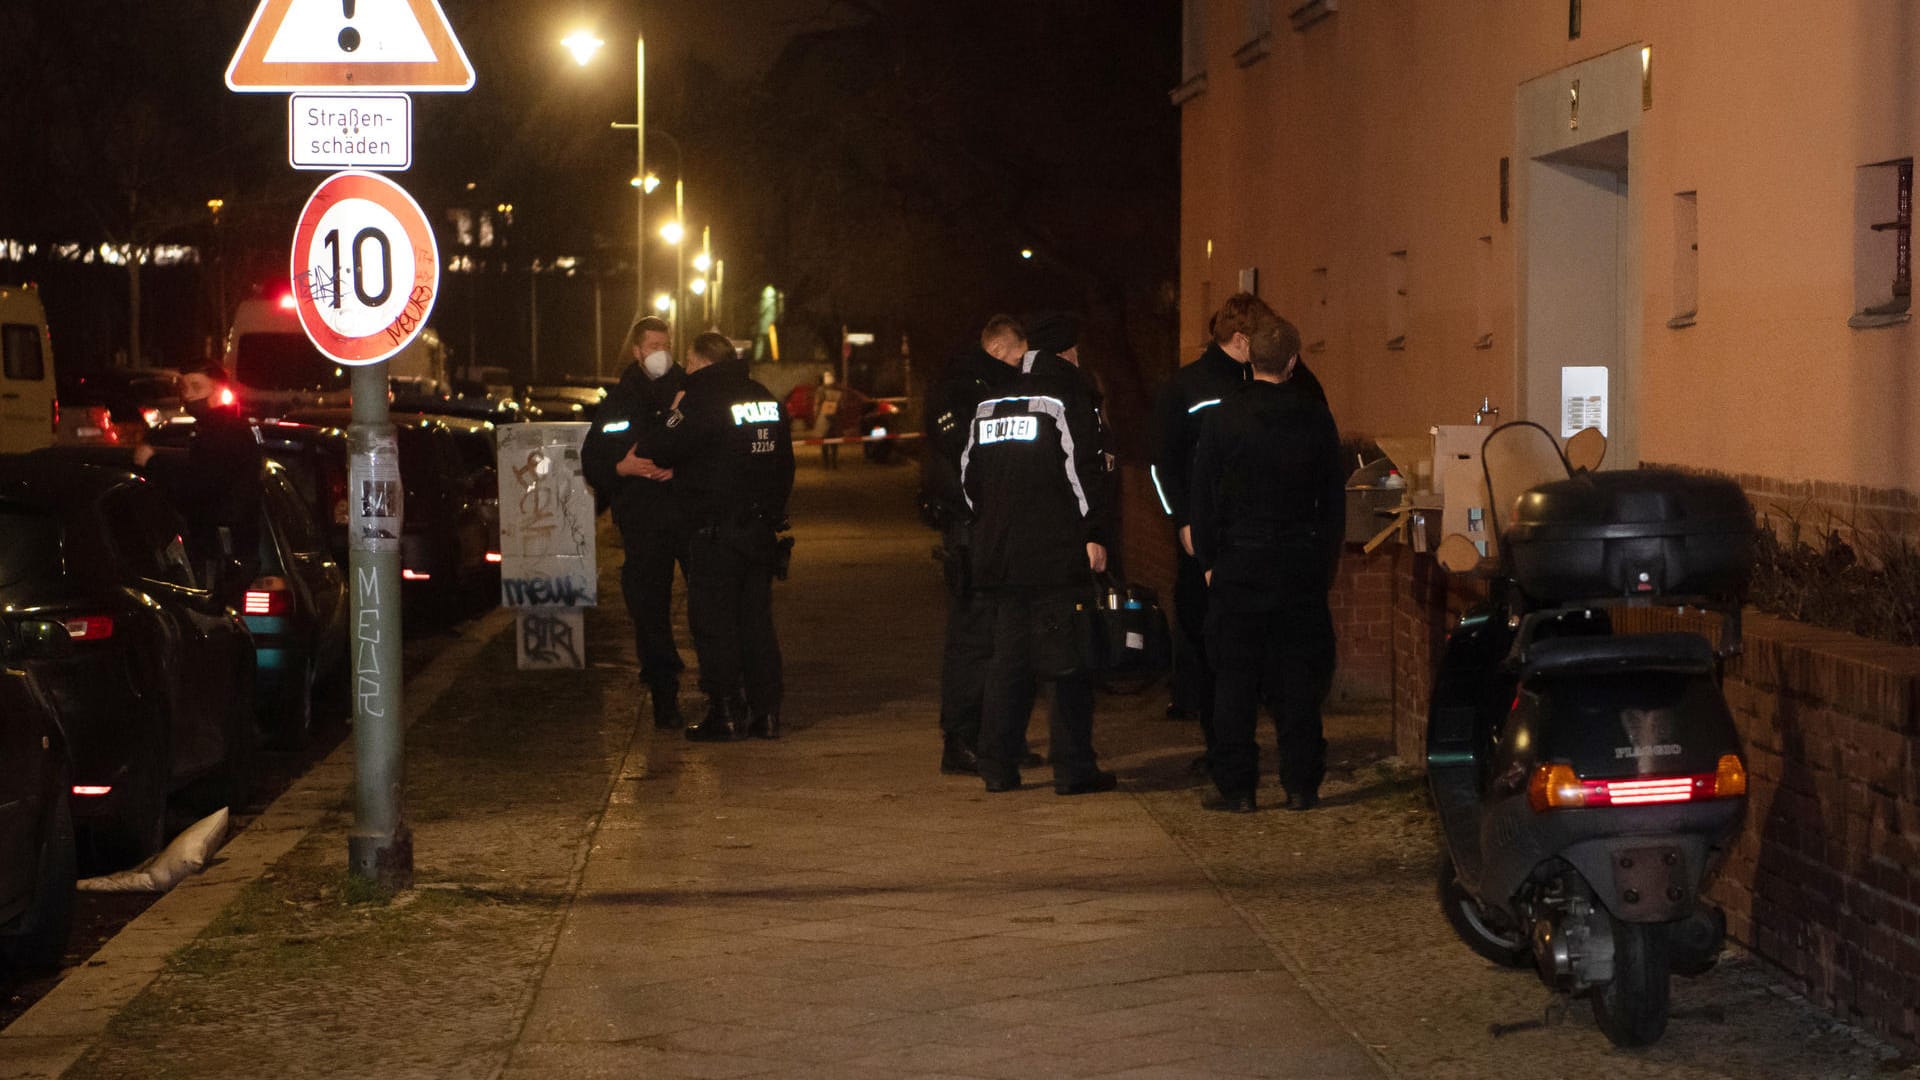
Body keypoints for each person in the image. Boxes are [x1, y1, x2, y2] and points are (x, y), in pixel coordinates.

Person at [1187, 310, 1344, 813]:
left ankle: (1236, 787)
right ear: (1293, 362)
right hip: (1298, 561)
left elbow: (1203, 498)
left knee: (1234, 679)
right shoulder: (1316, 417)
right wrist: (1324, 564)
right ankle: (1301, 782)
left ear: (1249, 358)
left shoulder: (1223, 416)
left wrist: (1210, 561)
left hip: (1240, 562)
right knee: (1299, 677)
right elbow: (1333, 502)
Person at [960, 316, 1116, 796]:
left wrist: (992, 528)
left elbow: (968, 482)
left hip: (1000, 557)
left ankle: (997, 765)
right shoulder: (1060, 399)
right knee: (1065, 662)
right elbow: (1081, 472)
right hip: (1052, 553)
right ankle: (1073, 768)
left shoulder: (987, 405)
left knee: (1009, 661)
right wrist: (1094, 532)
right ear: (1063, 355)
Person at [641, 332, 795, 741]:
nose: (685, 371)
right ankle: (766, 714)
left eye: (689, 364)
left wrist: (674, 408)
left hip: (716, 532)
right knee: (757, 623)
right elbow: (785, 464)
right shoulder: (763, 396)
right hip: (761, 531)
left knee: (714, 624)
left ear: (701, 363)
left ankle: (725, 712)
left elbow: (658, 447)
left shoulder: (702, 398)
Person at [921, 315, 1028, 774]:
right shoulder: (962, 389)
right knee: (972, 638)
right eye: (1021, 356)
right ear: (1003, 349)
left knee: (1001, 638)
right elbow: (966, 461)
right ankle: (961, 739)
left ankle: (995, 735)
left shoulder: (978, 385)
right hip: (972, 529)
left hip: (990, 527)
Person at [582, 316, 689, 729]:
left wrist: (681, 471)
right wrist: (622, 467)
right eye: (653, 345)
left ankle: (723, 694)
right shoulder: (620, 401)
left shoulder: (689, 392)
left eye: (666, 344)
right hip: (643, 523)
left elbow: (713, 448)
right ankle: (665, 696)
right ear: (638, 351)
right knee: (649, 611)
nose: (660, 352)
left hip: (687, 516)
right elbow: (593, 460)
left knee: (709, 607)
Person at [133, 361, 263, 586]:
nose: (189, 395)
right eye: (184, 388)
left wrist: (152, 463)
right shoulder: (215, 430)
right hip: (225, 547)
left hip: (221, 550)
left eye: (196, 387)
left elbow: (198, 487)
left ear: (218, 391)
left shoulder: (222, 434)